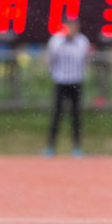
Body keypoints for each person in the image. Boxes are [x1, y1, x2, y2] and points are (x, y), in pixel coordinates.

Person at [44, 16, 90, 157]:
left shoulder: (82, 41)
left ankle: (77, 147)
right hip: (60, 81)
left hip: (76, 81)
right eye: (69, 26)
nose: (72, 29)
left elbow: (85, 60)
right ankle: (51, 146)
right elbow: (50, 60)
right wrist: (53, 73)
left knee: (76, 115)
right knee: (56, 114)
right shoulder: (56, 41)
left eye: (75, 26)